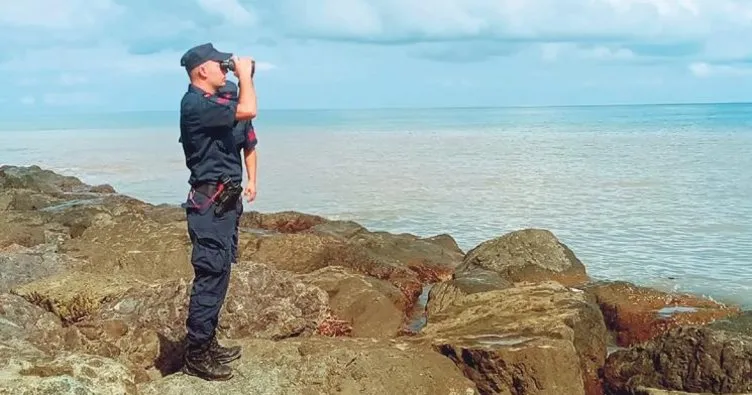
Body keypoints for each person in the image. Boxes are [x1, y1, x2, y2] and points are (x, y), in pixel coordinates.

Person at [177, 42, 258, 381]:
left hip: (224, 204)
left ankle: (207, 343)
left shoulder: (216, 103)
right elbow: (249, 109)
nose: (224, 69)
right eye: (219, 65)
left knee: (221, 274)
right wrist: (243, 75)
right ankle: (196, 355)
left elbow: (247, 137)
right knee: (210, 276)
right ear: (201, 71)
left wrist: (242, 78)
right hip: (209, 206)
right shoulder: (195, 104)